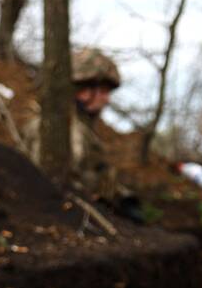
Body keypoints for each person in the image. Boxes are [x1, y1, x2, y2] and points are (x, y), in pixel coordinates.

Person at [23, 47, 134, 209]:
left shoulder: (81, 128)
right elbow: (63, 186)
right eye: (103, 91)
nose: (107, 99)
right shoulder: (66, 130)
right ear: (82, 91)